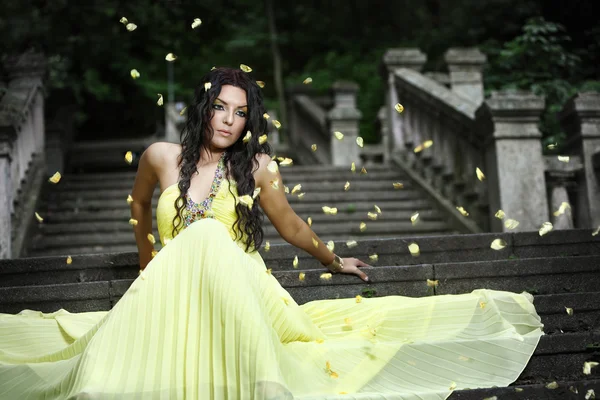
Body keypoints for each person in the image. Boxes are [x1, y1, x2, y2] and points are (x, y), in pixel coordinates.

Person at [0, 67, 543, 400]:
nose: (228, 120)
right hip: (170, 290)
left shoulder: (257, 167)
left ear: (248, 121)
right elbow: (139, 205)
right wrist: (148, 260)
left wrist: (332, 261)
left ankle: (260, 383)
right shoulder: (160, 157)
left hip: (242, 287)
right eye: (220, 106)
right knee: (195, 245)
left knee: (213, 238)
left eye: (240, 112)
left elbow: (291, 226)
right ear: (204, 107)